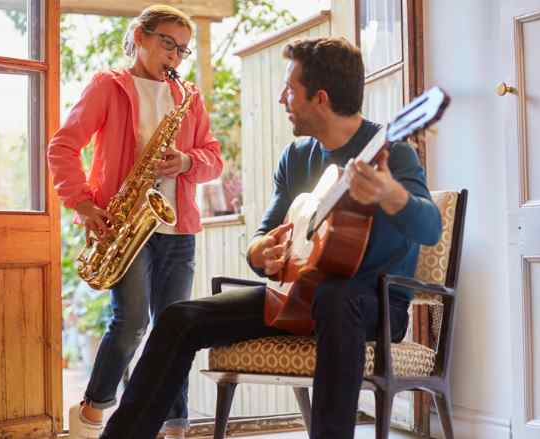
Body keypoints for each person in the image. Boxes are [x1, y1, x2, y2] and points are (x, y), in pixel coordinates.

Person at [100, 36, 441, 439]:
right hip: (298, 296)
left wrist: (390, 194)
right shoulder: (296, 157)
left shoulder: (392, 154)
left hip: (375, 305)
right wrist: (263, 252)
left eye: (290, 89)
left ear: (320, 98)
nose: (282, 98)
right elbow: (262, 238)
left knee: (336, 295)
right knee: (179, 318)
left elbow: (430, 228)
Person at [47, 5, 223, 439]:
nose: (175, 56)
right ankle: (93, 410)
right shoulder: (108, 86)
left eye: (182, 49)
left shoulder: (189, 98)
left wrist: (185, 160)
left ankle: (175, 425)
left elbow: (214, 160)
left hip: (176, 228)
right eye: (167, 43)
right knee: (130, 323)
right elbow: (63, 146)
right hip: (126, 224)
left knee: (176, 328)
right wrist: (84, 204)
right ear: (141, 36)